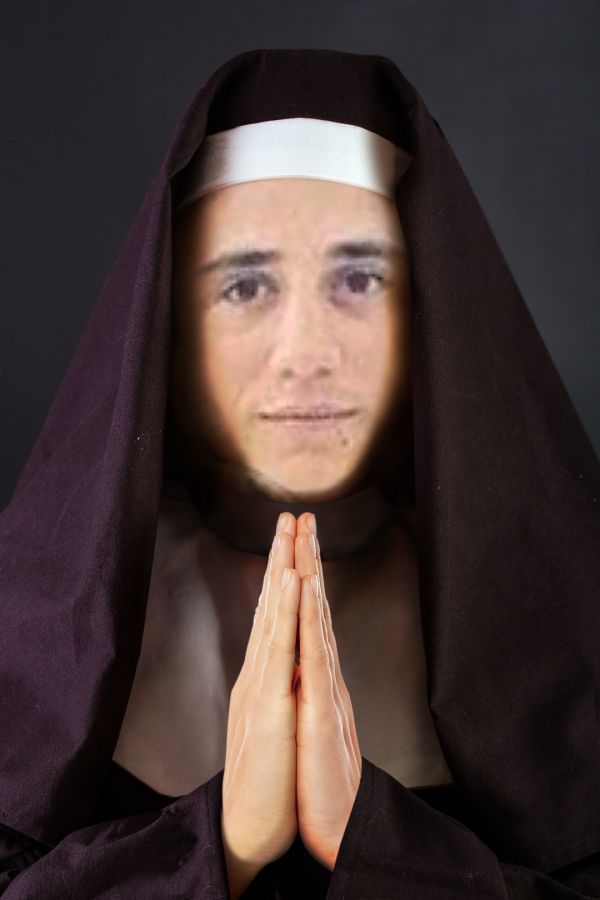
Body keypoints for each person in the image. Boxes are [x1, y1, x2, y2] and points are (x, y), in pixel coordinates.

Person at [1, 47, 599, 899]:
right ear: (169, 325)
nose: (308, 354)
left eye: (360, 278)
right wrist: (221, 845)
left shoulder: (570, 617)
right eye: (245, 286)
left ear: (432, 312)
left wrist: (373, 840)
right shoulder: (31, 622)